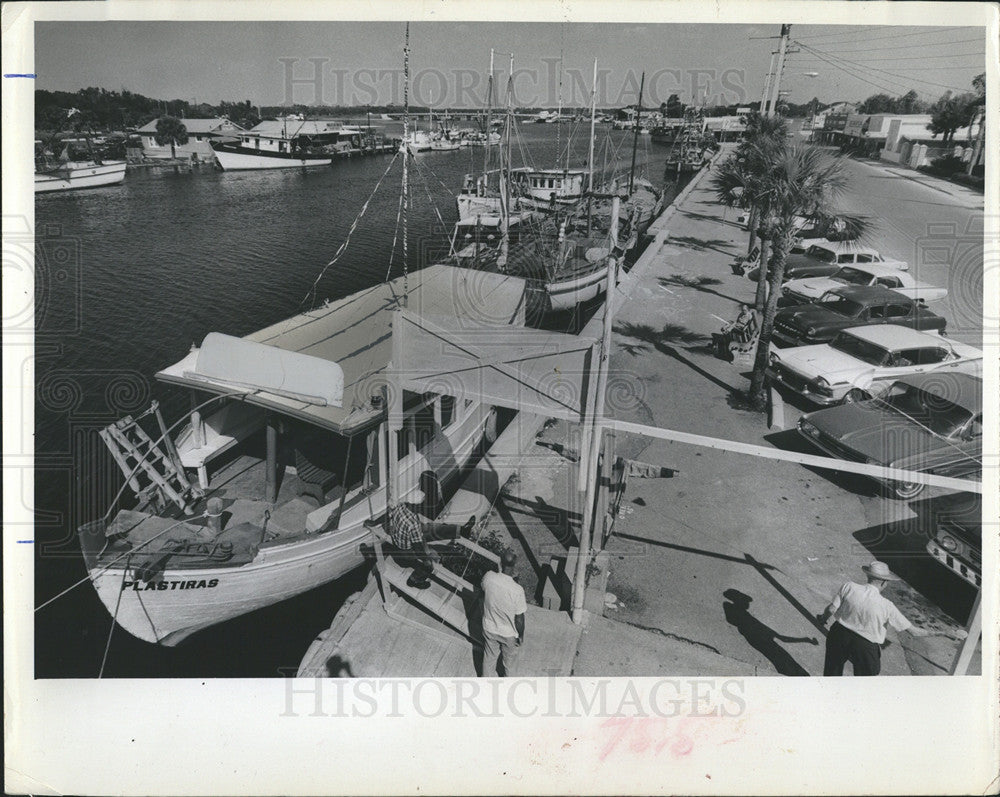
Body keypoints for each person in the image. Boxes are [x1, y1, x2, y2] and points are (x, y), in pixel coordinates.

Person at [817, 561, 965, 676]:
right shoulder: (887, 606)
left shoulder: (849, 586)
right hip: (865, 647)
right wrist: (945, 632)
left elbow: (831, 609)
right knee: (864, 685)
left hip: (838, 635)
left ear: (868, 576)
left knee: (832, 673)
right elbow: (914, 632)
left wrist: (823, 619)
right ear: (883, 582)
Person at [375, 490, 475, 589]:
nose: (422, 506)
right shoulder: (413, 524)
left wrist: (373, 522)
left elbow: (386, 516)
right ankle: (414, 580)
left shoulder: (401, 506)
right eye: (421, 504)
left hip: (402, 540)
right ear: (416, 505)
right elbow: (418, 548)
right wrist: (425, 559)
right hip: (405, 552)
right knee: (430, 560)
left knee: (431, 528)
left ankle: (462, 530)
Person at [480, 550, 526, 677]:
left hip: (489, 628)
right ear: (514, 565)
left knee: (489, 658)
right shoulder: (517, 590)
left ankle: (485, 685)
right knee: (509, 665)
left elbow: (484, 589)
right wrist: (520, 635)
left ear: (500, 562)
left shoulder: (489, 576)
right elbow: (519, 619)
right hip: (508, 633)